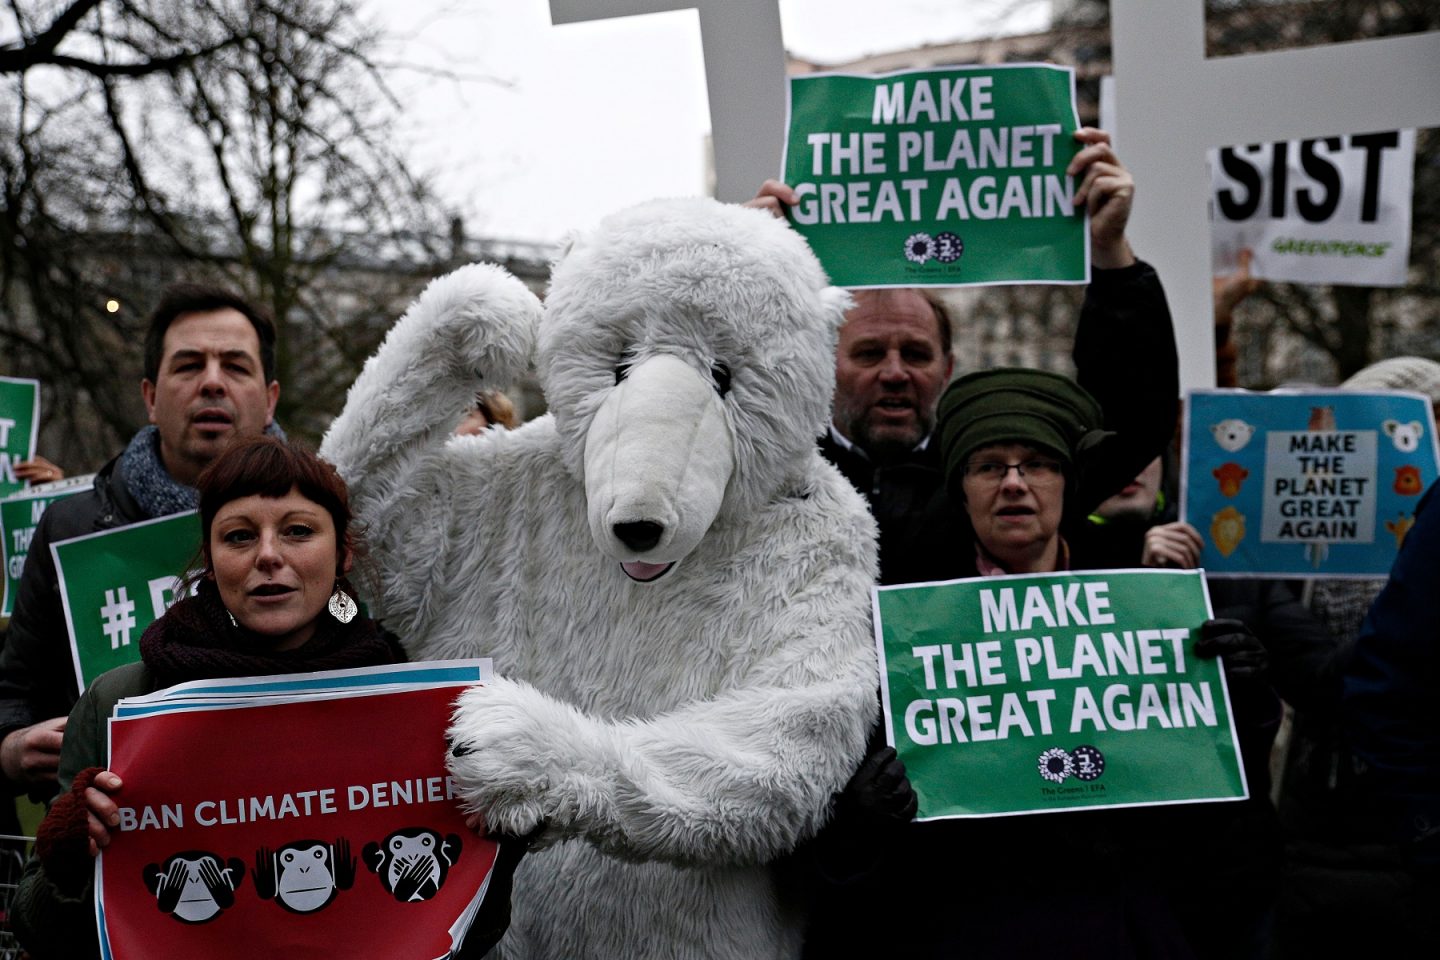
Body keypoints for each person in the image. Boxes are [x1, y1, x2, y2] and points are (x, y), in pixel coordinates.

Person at [795, 369, 1273, 959]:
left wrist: (1244, 716)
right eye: (989, 466)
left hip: (1127, 932)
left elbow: (1217, 836)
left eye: (1037, 464)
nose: (1015, 484)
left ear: (1067, 485)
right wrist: (861, 819)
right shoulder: (897, 626)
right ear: (961, 488)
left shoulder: (1149, 610)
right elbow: (843, 866)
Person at [9, 437, 521, 958]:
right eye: (239, 536)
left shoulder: (417, 706)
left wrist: (499, 842)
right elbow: (39, 931)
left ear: (342, 552)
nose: (269, 555)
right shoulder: (119, 703)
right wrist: (68, 855)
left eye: (298, 531)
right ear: (209, 559)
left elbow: (467, 935)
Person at [748, 128, 1177, 584]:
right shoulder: (770, 473)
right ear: (826, 364)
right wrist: (743, 267)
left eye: (916, 354)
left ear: (947, 368)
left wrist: (1110, 254)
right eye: (870, 354)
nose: (895, 373)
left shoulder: (985, 482)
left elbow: (1136, 420)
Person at [0, 283, 282, 803]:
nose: (213, 383)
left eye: (236, 367)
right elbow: (13, 692)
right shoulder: (70, 528)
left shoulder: (325, 530)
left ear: (269, 400)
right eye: (189, 365)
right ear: (151, 398)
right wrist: (12, 749)